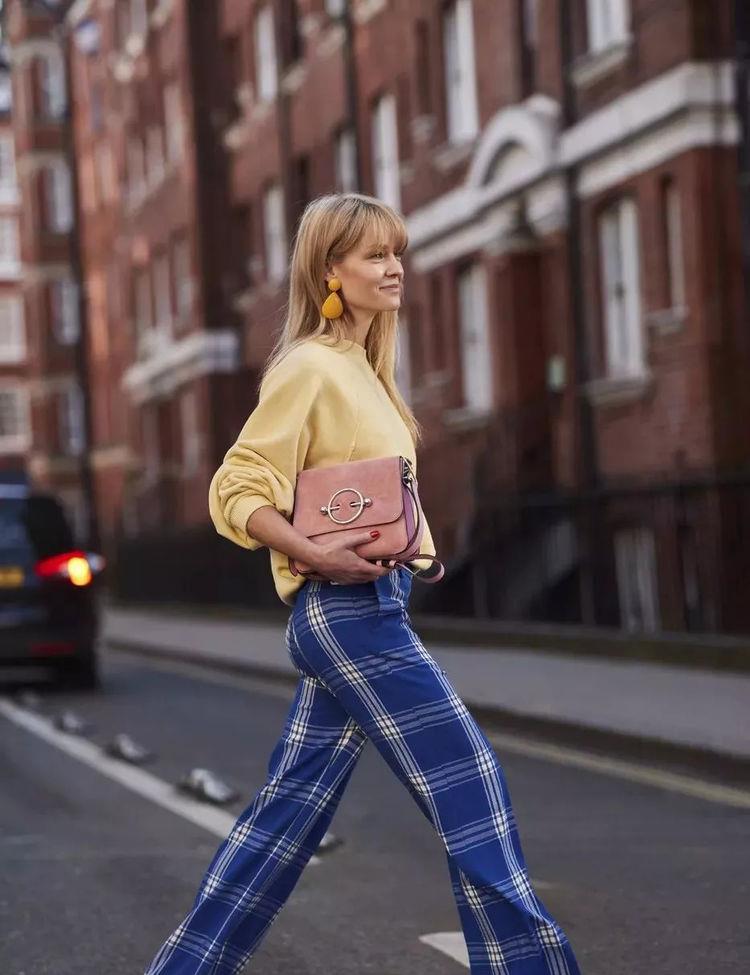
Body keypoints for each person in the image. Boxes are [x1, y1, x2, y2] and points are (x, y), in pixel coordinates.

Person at [143, 193, 582, 975]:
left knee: (285, 819)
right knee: (470, 784)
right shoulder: (309, 365)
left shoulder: (365, 372)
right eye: (374, 254)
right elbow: (236, 486)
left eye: (396, 252)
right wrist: (320, 549)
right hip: (350, 611)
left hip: (367, 606)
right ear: (328, 270)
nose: (394, 268)